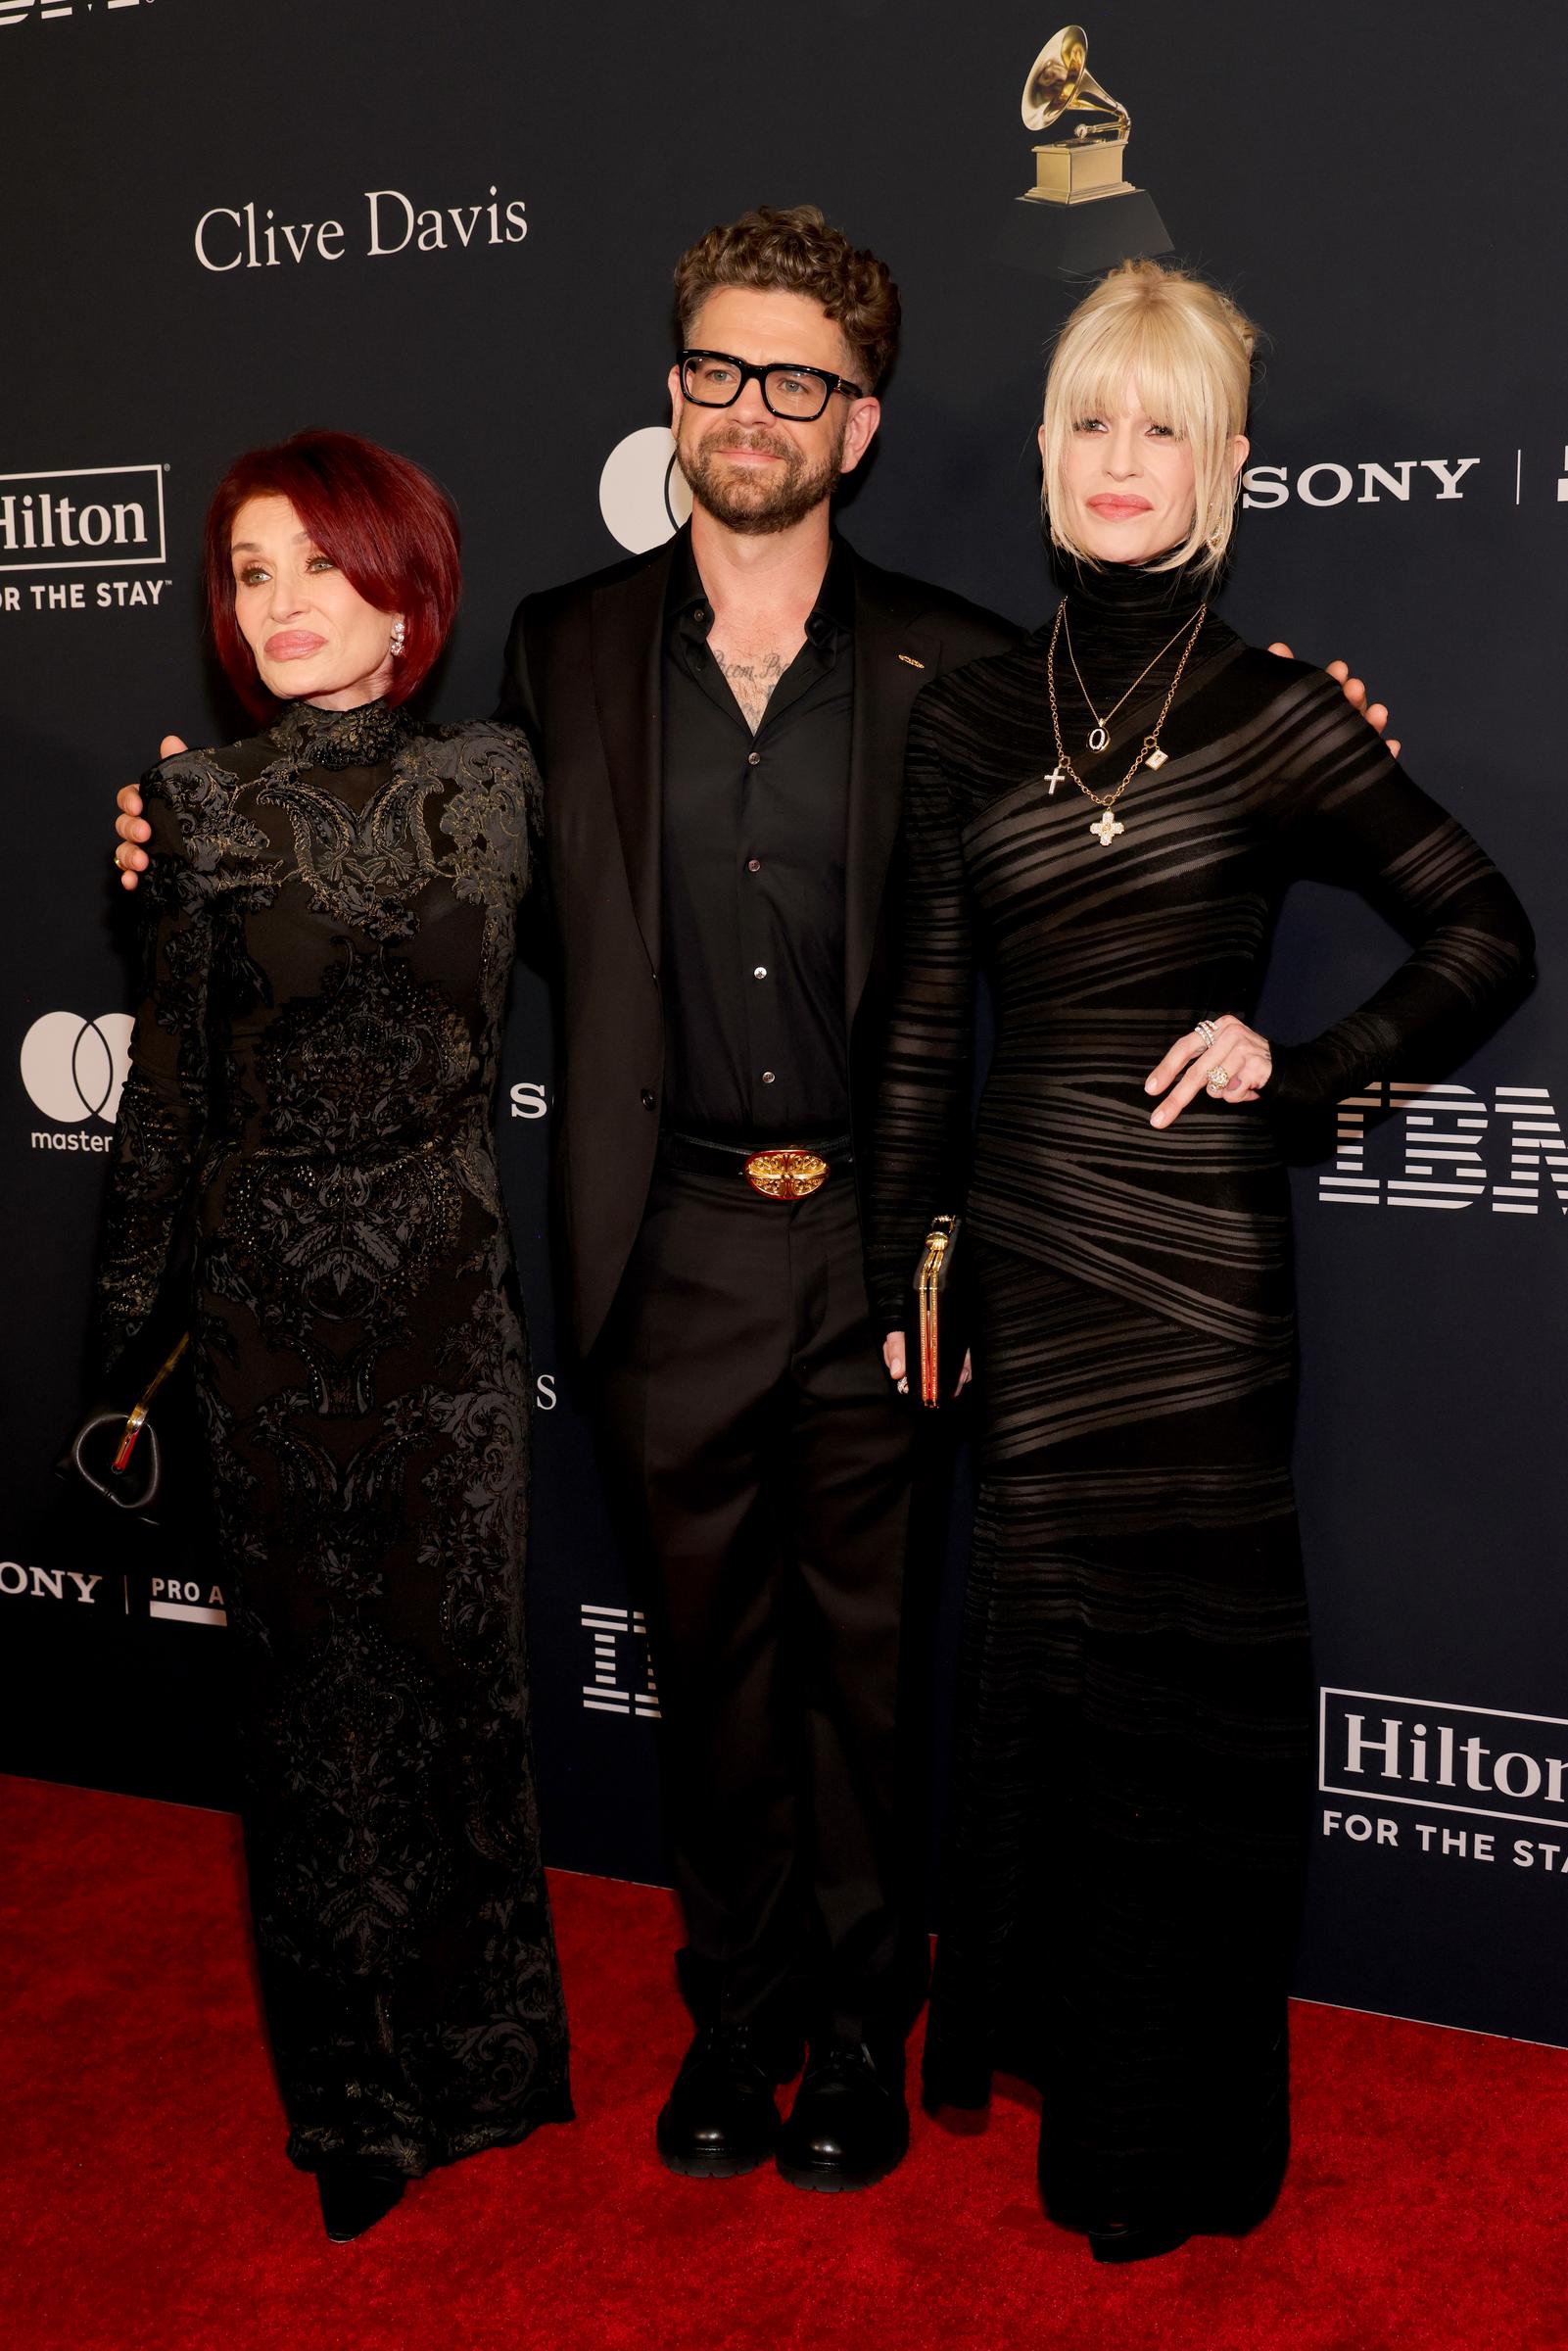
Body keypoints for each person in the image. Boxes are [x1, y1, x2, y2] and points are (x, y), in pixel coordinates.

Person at [110, 207, 1398, 2201]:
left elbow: (1142, 778)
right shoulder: (564, 645)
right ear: (675, 387)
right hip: (664, 1236)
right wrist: (193, 838)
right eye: (718, 367)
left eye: (798, 378)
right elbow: (410, 853)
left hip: (888, 1248)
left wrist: (1304, 724)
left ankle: (865, 2040)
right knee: (709, 1673)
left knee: (870, 1681)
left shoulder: (963, 664)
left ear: (859, 424)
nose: (750, 408)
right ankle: (738, 2018)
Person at [869, 261, 1534, 2263]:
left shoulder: (1275, 715)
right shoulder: (968, 717)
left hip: (1201, 1280)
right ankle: (1090, 2102)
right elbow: (918, 1026)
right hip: (1036, 1268)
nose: (1124, 456)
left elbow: (1485, 934)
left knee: (1192, 1720)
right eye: (1094, 419)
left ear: (1230, 468)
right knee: (1060, 1701)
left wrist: (1305, 1062)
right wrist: (915, 1274)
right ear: (1053, 460)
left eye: (1168, 424)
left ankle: (1193, 2144)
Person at [97, 430, 571, 2243]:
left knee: (464, 1695)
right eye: (249, 572)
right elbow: (161, 1110)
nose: (283, 603)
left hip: (453, 1310)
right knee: (308, 1725)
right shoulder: (199, 811)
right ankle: (354, 2108)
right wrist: (118, 1361)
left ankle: (490, 2063)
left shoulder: (504, 779)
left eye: (320, 564)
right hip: (267, 1321)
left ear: (405, 594)